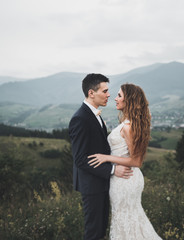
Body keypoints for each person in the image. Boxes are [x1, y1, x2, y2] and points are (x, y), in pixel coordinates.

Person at [88, 83, 162, 240]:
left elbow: (136, 160)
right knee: (128, 219)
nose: (115, 98)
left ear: (129, 100)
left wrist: (106, 158)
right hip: (124, 177)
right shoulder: (128, 124)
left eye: (119, 96)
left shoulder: (128, 127)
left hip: (125, 178)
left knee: (125, 219)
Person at [69, 73, 133, 240]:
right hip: (92, 187)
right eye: (104, 91)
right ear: (91, 93)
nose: (109, 94)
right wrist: (113, 170)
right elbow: (80, 159)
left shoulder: (93, 115)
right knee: (94, 234)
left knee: (100, 231)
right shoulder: (80, 118)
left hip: (101, 184)